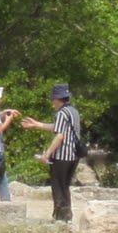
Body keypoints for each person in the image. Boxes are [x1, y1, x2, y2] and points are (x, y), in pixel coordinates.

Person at [20, 83, 82, 222]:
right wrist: (38, 125)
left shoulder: (60, 113)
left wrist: (46, 154)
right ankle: (67, 216)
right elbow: (61, 128)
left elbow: (60, 136)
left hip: (62, 155)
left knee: (57, 186)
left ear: (56, 99)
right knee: (65, 185)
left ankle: (60, 217)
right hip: (74, 155)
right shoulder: (73, 111)